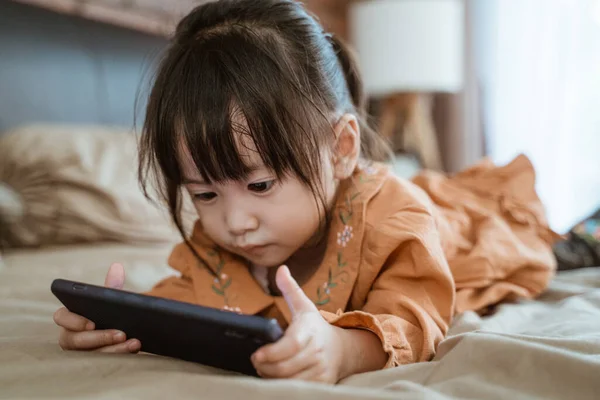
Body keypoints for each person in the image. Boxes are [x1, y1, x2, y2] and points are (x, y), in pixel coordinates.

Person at [52, 0, 558, 383]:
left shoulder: (392, 220)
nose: (235, 222)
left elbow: (414, 317)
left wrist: (341, 350)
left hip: (445, 226)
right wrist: (117, 322)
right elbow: (186, 307)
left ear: (340, 149)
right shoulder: (219, 247)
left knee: (496, 226)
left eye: (260, 184)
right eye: (204, 194)